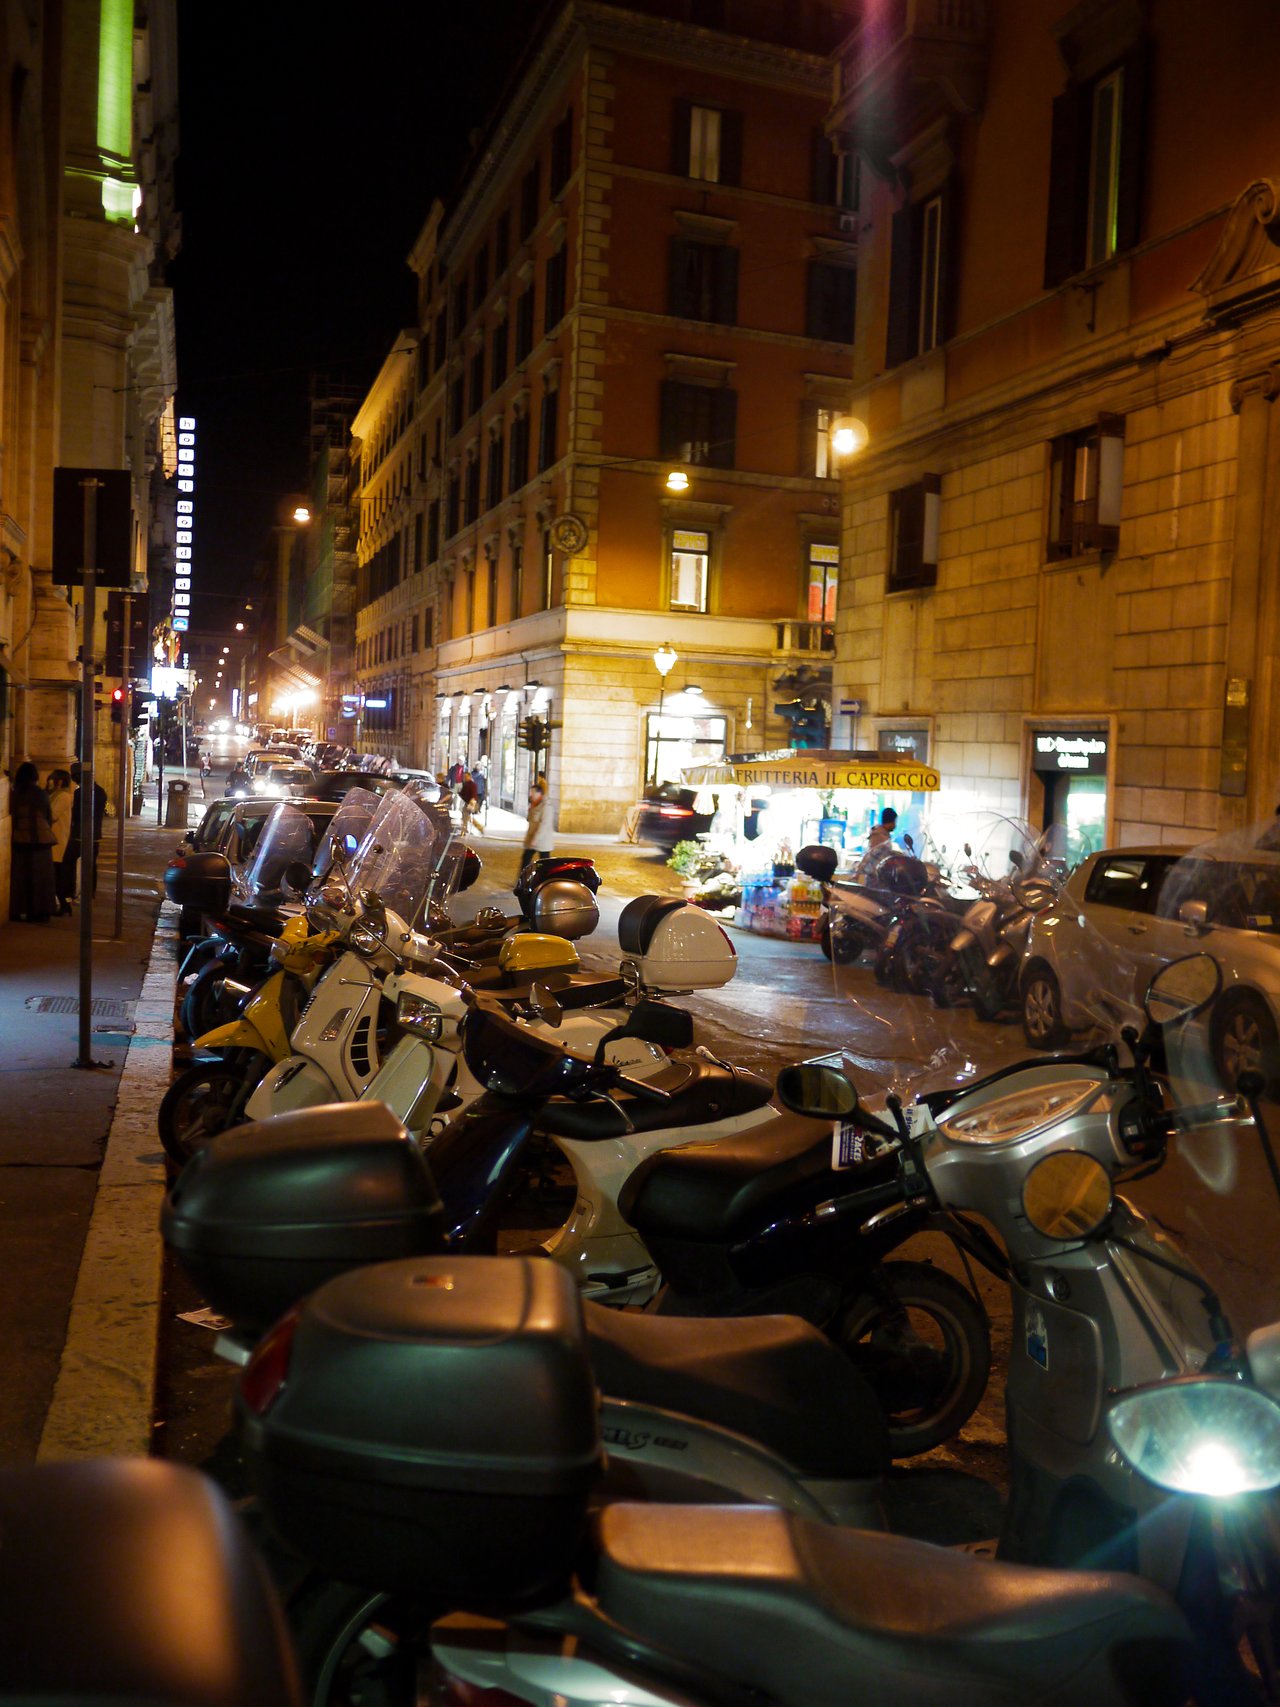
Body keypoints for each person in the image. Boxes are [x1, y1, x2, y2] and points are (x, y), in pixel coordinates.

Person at [9, 762, 56, 923]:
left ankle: (18, 909)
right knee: (42, 877)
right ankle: (41, 911)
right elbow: (48, 816)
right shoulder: (40, 793)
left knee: (20, 877)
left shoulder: (15, 794)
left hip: (21, 839)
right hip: (41, 839)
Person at [63, 761, 108, 902]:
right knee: (91, 864)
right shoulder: (100, 791)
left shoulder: (79, 793)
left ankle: (69, 892)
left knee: (69, 862)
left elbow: (76, 814)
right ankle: (89, 892)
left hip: (80, 835)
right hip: (95, 835)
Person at [47, 769, 75, 916]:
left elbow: (53, 815)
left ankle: (64, 905)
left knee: (57, 876)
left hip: (58, 842)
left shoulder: (63, 796)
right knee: (55, 876)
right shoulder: (55, 795)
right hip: (54, 840)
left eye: (52, 778)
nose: (49, 781)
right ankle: (63, 905)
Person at [518, 771, 551, 876]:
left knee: (545, 864)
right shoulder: (534, 804)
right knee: (526, 859)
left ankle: (546, 881)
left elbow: (544, 825)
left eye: (533, 792)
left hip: (542, 841)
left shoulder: (546, 806)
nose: (530, 794)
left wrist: (535, 839)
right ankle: (522, 880)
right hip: (532, 838)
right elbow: (529, 820)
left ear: (539, 793)